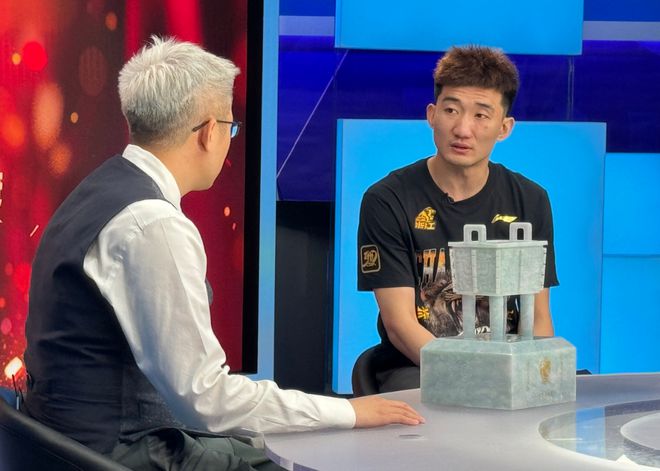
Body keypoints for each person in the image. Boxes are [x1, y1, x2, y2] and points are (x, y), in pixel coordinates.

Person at [22, 37, 423, 470]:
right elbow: (206, 399)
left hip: (65, 438)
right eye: (232, 128)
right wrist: (348, 412)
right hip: (114, 451)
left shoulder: (100, 187)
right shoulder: (152, 224)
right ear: (209, 131)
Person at [357, 45, 558, 393]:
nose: (463, 129)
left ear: (504, 127)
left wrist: (537, 380)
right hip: (418, 367)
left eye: (481, 115)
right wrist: (480, 381)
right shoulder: (387, 200)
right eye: (451, 110)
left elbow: (538, 319)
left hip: (507, 365)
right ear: (432, 115)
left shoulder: (529, 199)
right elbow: (400, 326)